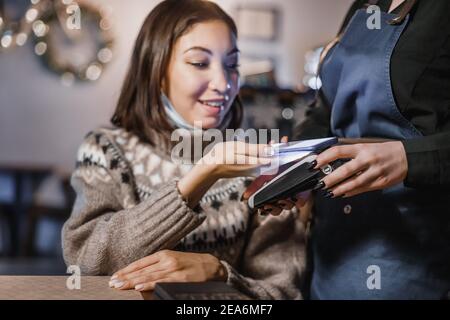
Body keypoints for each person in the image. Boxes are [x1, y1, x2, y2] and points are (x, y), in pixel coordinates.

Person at [62, 0, 305, 299]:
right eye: (200, 63)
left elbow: (282, 294)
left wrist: (219, 273)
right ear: (157, 69)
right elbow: (86, 263)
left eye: (231, 65)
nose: (223, 83)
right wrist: (204, 173)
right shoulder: (106, 149)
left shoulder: (259, 161)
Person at [291, 0, 450, 299]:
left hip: (414, 252)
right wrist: (298, 169)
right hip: (334, 250)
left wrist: (409, 159)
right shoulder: (364, 6)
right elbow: (323, 112)